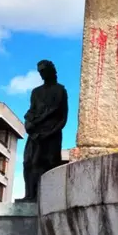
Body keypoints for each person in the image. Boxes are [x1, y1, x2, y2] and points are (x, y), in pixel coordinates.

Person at [18, 60, 68, 202]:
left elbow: (63, 118)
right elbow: (32, 110)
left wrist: (49, 133)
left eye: (44, 71)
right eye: (40, 72)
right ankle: (29, 195)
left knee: (47, 165)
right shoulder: (36, 92)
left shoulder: (60, 91)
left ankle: (46, 198)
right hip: (35, 134)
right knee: (28, 162)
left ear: (52, 71)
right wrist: (29, 124)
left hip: (51, 135)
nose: (42, 75)